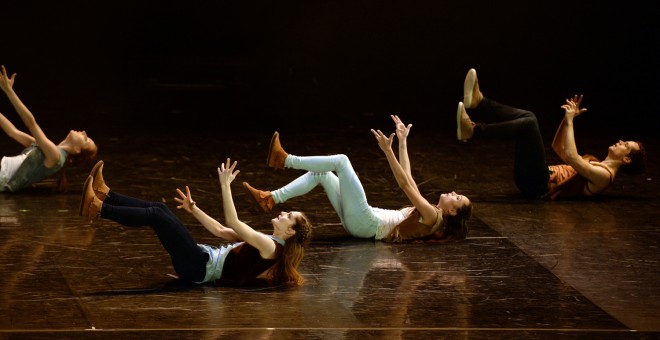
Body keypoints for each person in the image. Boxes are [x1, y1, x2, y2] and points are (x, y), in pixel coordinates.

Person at [78, 159, 312, 287]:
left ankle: (98, 208)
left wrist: (225, 185)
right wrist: (194, 209)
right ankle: (104, 194)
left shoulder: (271, 247)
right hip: (199, 258)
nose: (283, 213)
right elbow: (221, 230)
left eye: (288, 216)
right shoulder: (267, 243)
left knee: (157, 216)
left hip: (198, 267)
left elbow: (232, 220)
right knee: (160, 209)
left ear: (290, 231)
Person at [243, 115, 473, 243]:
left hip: (368, 222)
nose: (453, 193)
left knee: (342, 161)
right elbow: (409, 179)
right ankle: (270, 198)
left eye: (457, 198)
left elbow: (404, 184)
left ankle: (285, 160)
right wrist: (402, 141)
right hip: (363, 222)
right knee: (322, 173)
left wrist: (388, 151)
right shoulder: (432, 213)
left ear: (453, 212)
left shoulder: (433, 216)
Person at [456, 68, 647, 199]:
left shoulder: (605, 176)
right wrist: (566, 120)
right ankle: (479, 102)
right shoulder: (595, 161)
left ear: (627, 160)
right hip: (536, 177)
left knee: (529, 123)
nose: (621, 141)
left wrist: (571, 121)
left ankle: (473, 131)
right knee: (529, 117)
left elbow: (572, 156)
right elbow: (559, 148)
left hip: (537, 185)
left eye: (626, 145)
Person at [0, 65, 97, 192]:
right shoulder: (48, 148)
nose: (84, 133)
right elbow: (13, 132)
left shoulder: (55, 156)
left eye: (86, 139)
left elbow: (31, 123)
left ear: (77, 149)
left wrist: (9, 92)